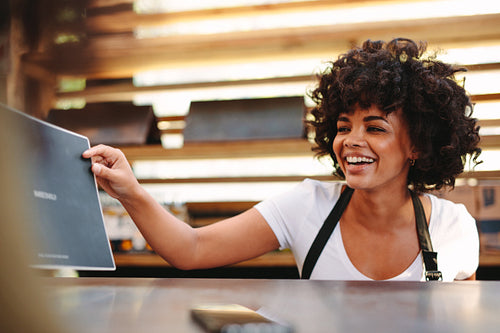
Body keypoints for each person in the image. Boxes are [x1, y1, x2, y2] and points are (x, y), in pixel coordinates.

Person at [83, 38, 481, 281]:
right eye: (344, 127)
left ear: (418, 145)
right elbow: (192, 248)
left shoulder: (455, 229)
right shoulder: (307, 206)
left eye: (375, 128)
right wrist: (130, 192)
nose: (352, 141)